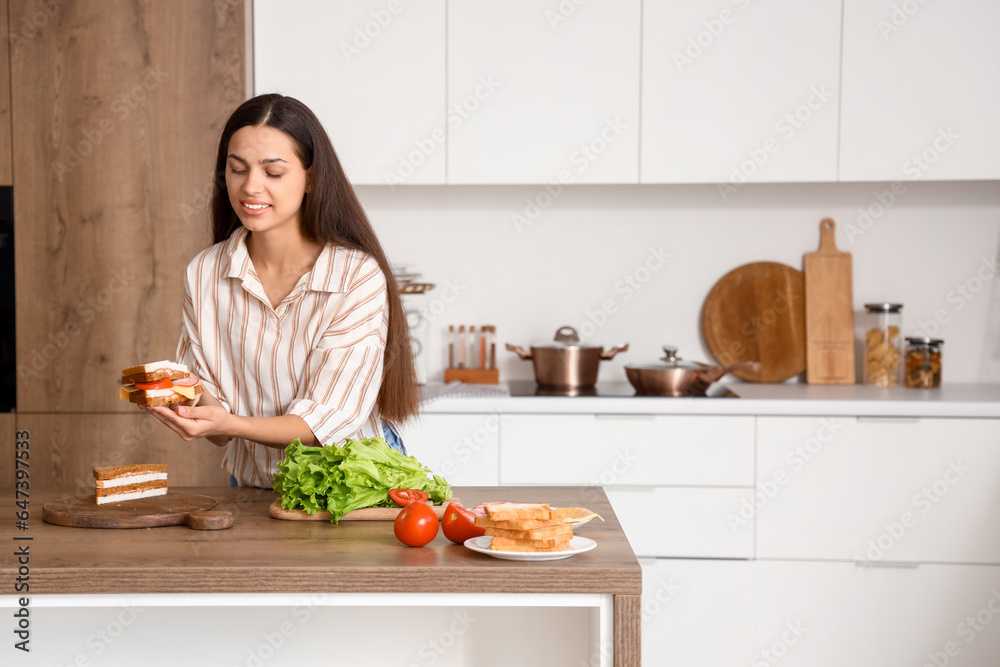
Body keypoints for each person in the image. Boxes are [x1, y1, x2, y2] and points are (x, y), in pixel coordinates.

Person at [140, 93, 420, 487]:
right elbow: (220, 431)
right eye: (237, 170)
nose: (250, 187)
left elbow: (327, 419)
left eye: (273, 173)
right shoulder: (204, 272)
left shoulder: (355, 275)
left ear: (312, 178)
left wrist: (229, 422)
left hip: (353, 483)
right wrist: (180, 399)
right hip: (255, 485)